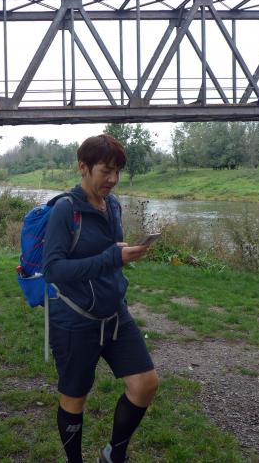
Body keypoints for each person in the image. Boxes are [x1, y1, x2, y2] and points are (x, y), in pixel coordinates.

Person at [43, 134, 158, 463]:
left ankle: (113, 455)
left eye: (117, 171)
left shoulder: (113, 205)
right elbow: (53, 269)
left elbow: (107, 254)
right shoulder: (65, 210)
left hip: (115, 315)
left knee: (145, 384)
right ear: (83, 167)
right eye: (106, 171)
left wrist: (122, 254)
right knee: (74, 398)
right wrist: (111, 258)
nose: (113, 179)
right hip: (75, 319)